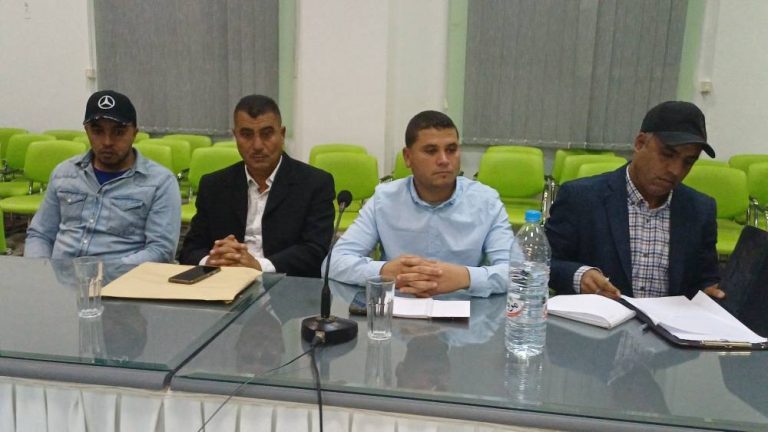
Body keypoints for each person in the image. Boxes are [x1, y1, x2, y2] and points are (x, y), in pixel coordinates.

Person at [326, 110, 516, 297]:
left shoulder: (486, 201)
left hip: (464, 306)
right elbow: (333, 262)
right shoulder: (384, 199)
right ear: (408, 157)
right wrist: (384, 271)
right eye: (431, 151)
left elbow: (519, 272)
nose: (444, 160)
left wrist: (465, 277)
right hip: (399, 304)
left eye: (451, 150)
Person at [545, 101, 724, 299]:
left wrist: (708, 293)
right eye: (667, 155)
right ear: (640, 143)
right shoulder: (581, 198)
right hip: (600, 316)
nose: (676, 170)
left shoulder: (700, 210)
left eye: (688, 162)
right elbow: (543, 263)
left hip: (667, 319)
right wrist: (579, 276)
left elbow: (706, 278)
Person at [179, 95, 335, 277]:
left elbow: (315, 251)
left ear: (282, 134)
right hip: (223, 280)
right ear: (235, 136)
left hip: (285, 283)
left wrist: (258, 265)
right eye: (246, 135)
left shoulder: (314, 184)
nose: (257, 145)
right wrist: (212, 260)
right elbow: (190, 250)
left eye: (267, 134)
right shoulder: (214, 185)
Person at [25, 90, 181, 264]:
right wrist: (40, 269)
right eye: (97, 131)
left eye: (118, 132)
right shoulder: (64, 173)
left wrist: (100, 273)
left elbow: (161, 250)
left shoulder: (159, 182)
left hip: (122, 278)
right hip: (60, 276)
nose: (107, 141)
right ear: (87, 131)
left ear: (134, 133)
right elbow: (40, 234)